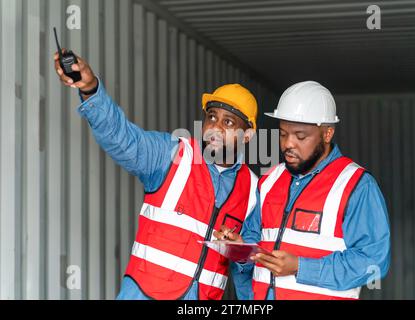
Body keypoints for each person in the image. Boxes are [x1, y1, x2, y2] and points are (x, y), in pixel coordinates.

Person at [53, 51, 259, 300]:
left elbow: (250, 274)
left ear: (247, 136)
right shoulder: (172, 155)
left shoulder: (254, 191)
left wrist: (240, 252)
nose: (214, 127)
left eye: (228, 123)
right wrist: (90, 89)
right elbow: (123, 138)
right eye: (212, 116)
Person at [223, 81, 391, 300]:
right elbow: (253, 245)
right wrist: (241, 248)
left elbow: (373, 261)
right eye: (283, 134)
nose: (288, 144)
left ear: (327, 133)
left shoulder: (356, 185)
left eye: (300, 136)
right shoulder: (270, 180)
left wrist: (300, 268)